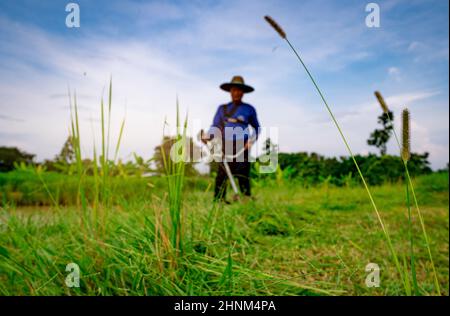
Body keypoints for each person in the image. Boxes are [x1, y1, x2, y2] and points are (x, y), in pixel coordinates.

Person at [201, 76, 261, 203]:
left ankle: (245, 198)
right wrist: (208, 136)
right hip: (225, 144)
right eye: (234, 90)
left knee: (243, 171)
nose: (237, 93)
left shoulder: (249, 109)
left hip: (242, 145)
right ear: (230, 91)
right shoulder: (222, 109)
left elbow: (257, 128)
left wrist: (251, 140)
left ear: (243, 92)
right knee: (223, 172)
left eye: (240, 90)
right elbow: (215, 126)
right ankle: (219, 201)